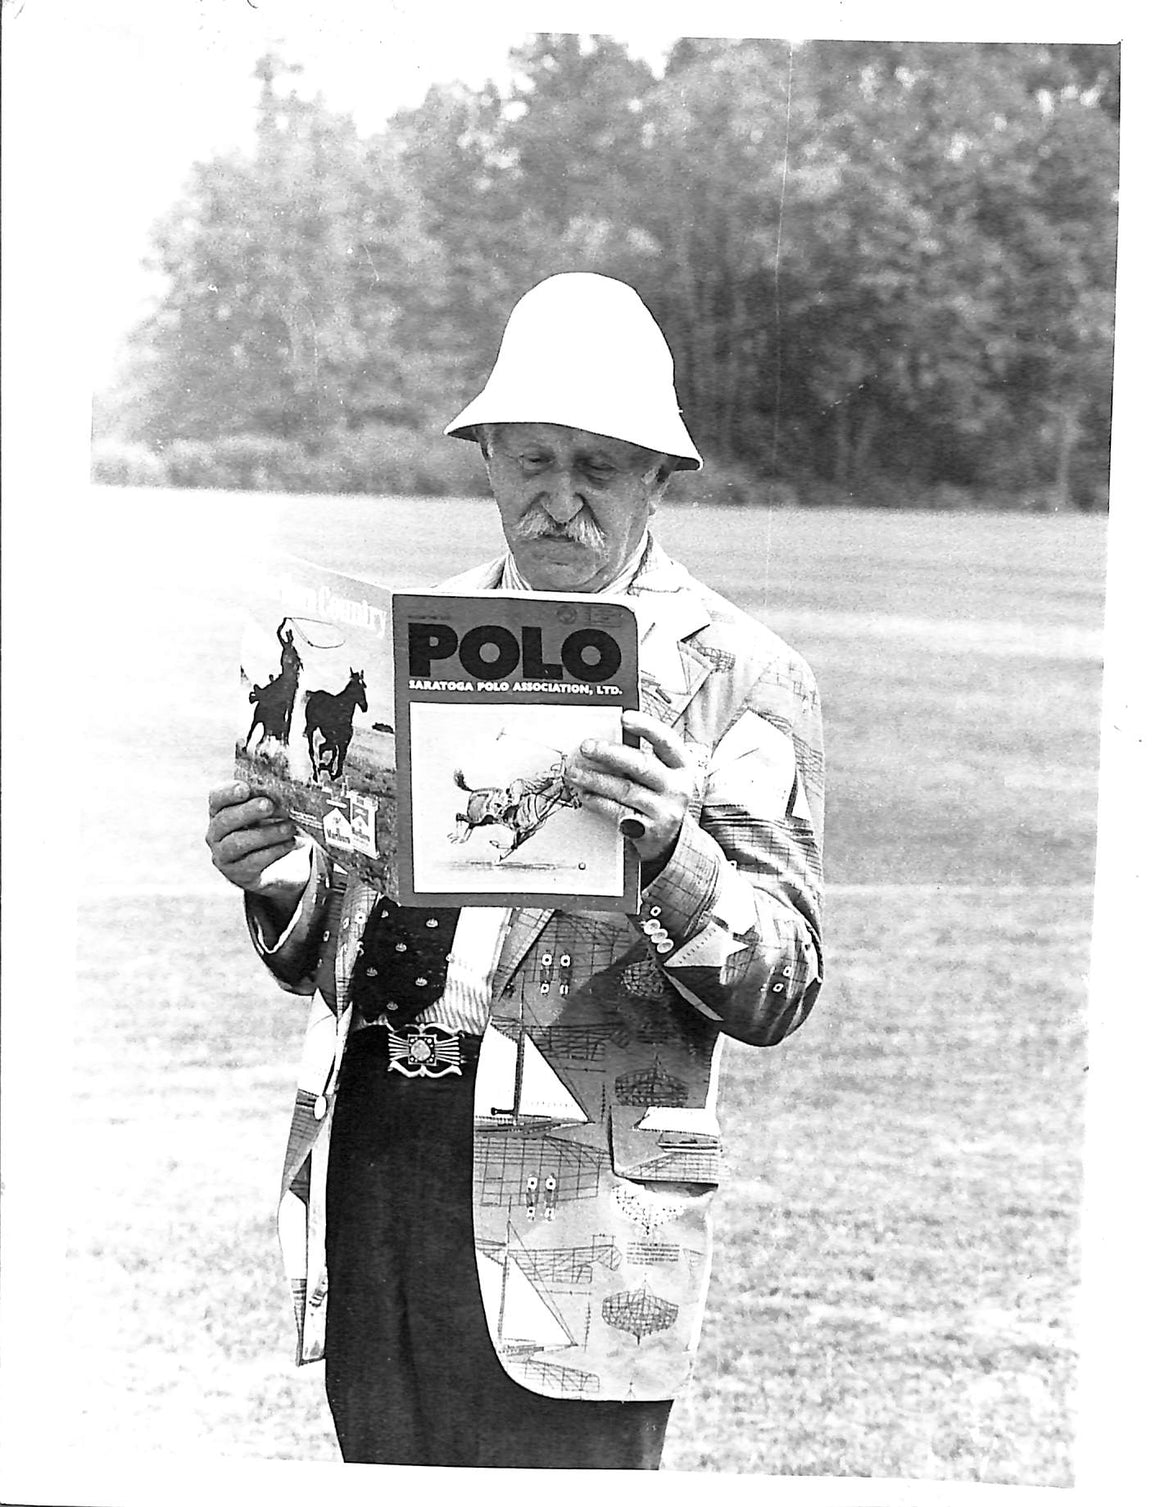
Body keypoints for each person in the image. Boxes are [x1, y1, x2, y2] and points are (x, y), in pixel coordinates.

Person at [205, 272, 825, 1470]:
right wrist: (279, 877)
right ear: (484, 456)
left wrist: (670, 858)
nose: (558, 498)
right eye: (531, 458)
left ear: (658, 476)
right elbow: (347, 939)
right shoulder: (396, 647)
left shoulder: (742, 678)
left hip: (587, 1233)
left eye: (596, 466)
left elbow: (782, 984)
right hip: (384, 1177)